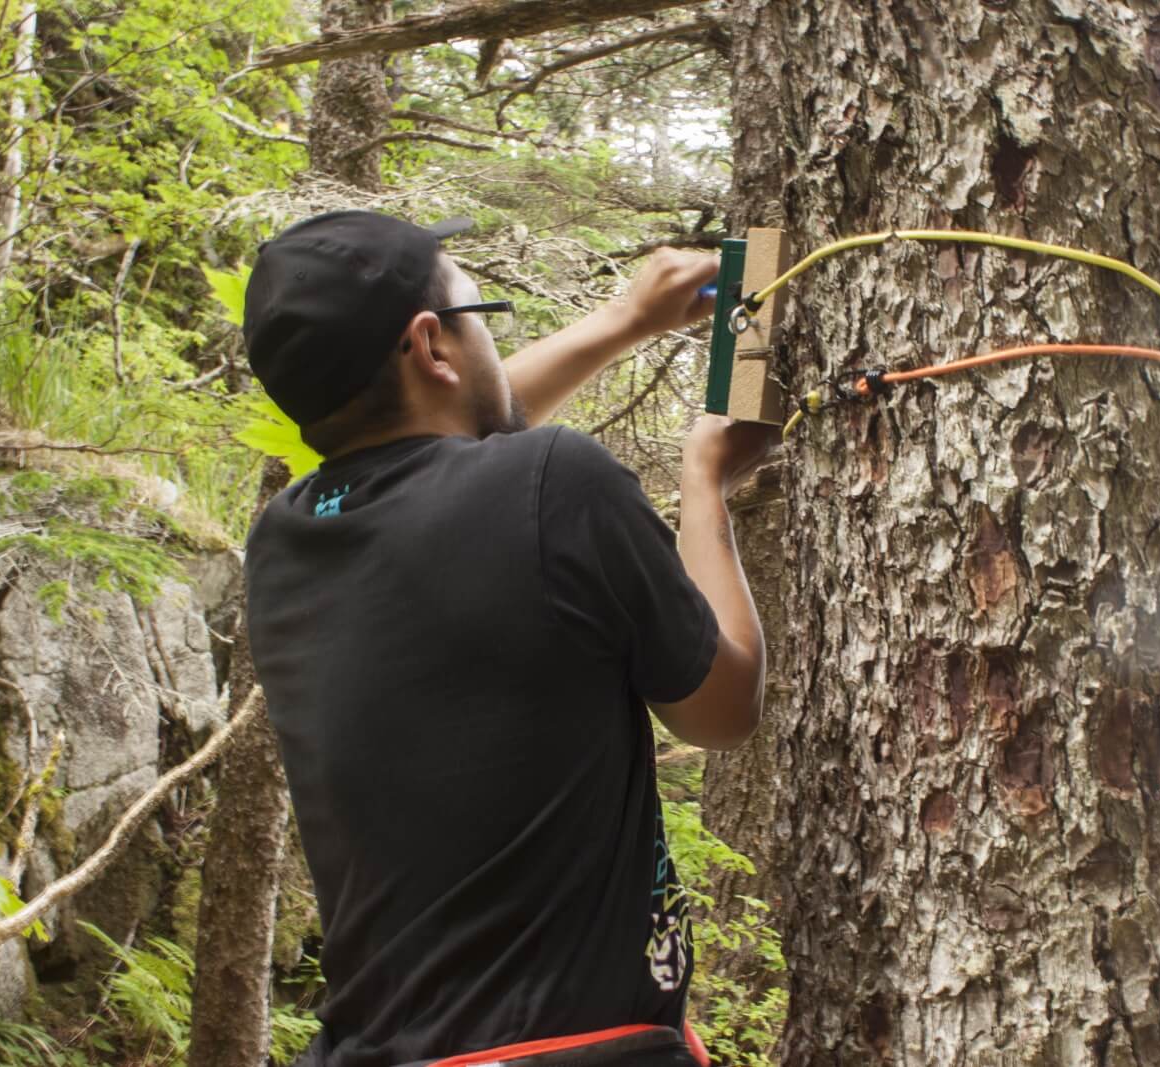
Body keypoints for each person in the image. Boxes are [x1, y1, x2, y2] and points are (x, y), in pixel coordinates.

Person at [240, 210, 774, 1067]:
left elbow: (453, 436)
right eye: (477, 311)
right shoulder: (555, 481)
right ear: (430, 343)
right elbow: (722, 708)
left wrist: (625, 319)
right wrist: (704, 480)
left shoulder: (284, 541)